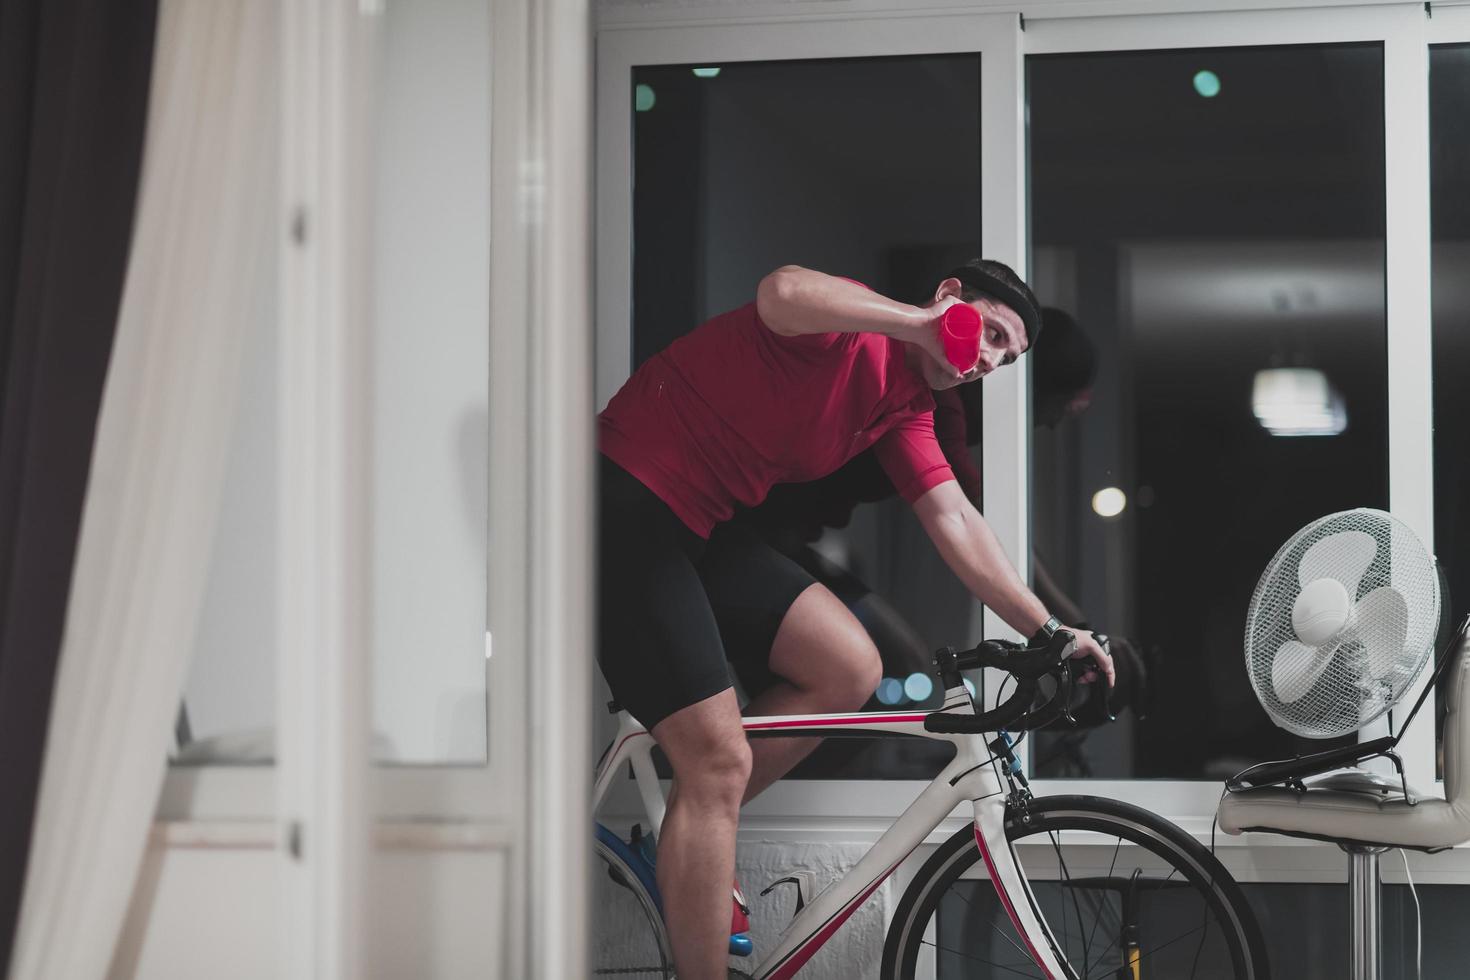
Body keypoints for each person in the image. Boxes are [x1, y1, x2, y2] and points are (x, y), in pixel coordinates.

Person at [597, 261, 1113, 979]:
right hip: (624, 503)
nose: (990, 361)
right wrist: (915, 323)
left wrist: (1048, 630)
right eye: (991, 334)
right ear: (950, 300)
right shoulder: (852, 329)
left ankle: (684, 839)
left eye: (1009, 357)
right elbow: (779, 293)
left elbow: (957, 520)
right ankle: (700, 843)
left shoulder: (906, 410)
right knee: (718, 762)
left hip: (701, 527)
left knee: (850, 666)